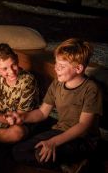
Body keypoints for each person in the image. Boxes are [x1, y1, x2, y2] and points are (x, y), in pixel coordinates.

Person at [9, 38, 102, 171]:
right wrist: (22, 117)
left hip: (83, 140)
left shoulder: (91, 89)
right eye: (56, 63)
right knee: (18, 151)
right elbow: (42, 112)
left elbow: (83, 126)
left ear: (78, 68)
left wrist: (53, 142)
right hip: (59, 131)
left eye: (62, 66)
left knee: (44, 154)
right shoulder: (57, 83)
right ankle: (70, 165)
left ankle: (80, 161)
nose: (56, 68)